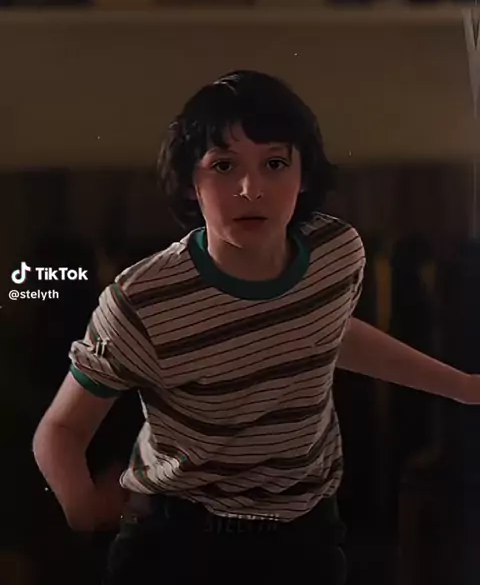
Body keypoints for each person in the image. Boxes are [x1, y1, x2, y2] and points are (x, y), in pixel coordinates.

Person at [32, 70, 480, 585]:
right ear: (191, 182)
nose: (251, 189)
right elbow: (60, 430)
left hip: (306, 535)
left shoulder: (337, 254)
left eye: (275, 164)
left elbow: (324, 330)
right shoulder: (144, 299)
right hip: (179, 541)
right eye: (224, 166)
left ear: (303, 175)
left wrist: (465, 388)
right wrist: (84, 510)